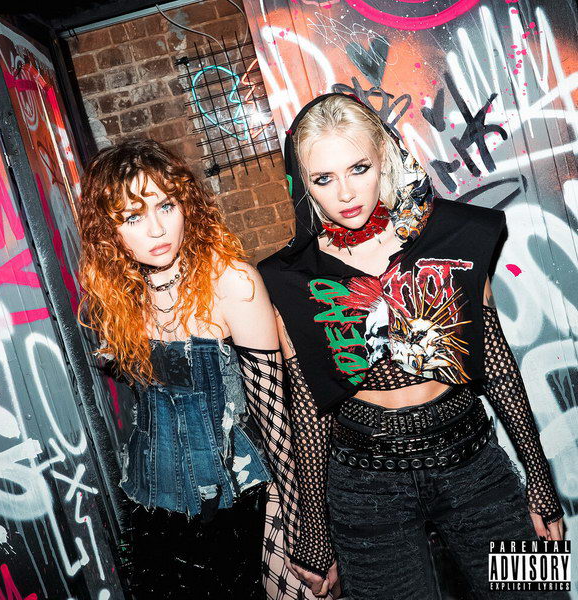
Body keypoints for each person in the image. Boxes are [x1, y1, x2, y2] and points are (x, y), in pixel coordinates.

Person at [258, 93, 566, 599]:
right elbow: (309, 408)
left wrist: (540, 480)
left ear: (384, 156)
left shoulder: (453, 236)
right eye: (323, 178)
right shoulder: (290, 280)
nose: (346, 193)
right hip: (365, 486)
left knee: (536, 592)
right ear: (303, 185)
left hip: (473, 464)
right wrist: (314, 529)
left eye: (358, 168)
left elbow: (497, 366)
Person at [76, 138, 302, 599]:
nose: (157, 228)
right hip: (157, 510)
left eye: (166, 205)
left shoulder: (230, 282)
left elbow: (277, 417)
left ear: (187, 205)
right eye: (133, 217)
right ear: (108, 232)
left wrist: (304, 518)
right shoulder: (119, 300)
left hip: (251, 498)